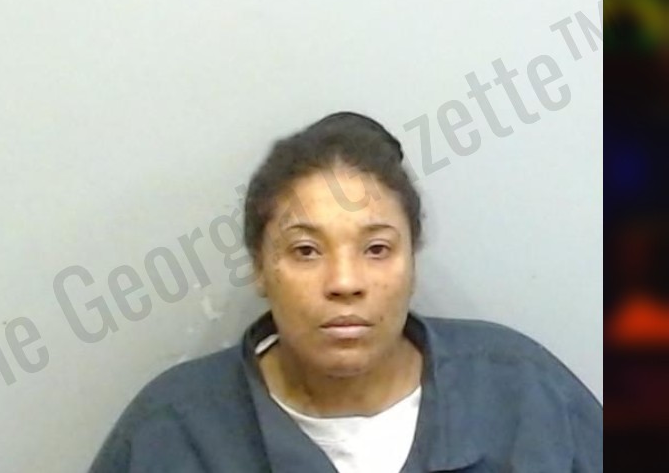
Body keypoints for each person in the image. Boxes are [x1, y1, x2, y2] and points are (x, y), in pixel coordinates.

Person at [89, 112, 602, 472]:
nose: (344, 282)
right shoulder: (172, 433)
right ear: (260, 268)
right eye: (306, 251)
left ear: (412, 261)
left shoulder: (526, 395)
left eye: (376, 249)